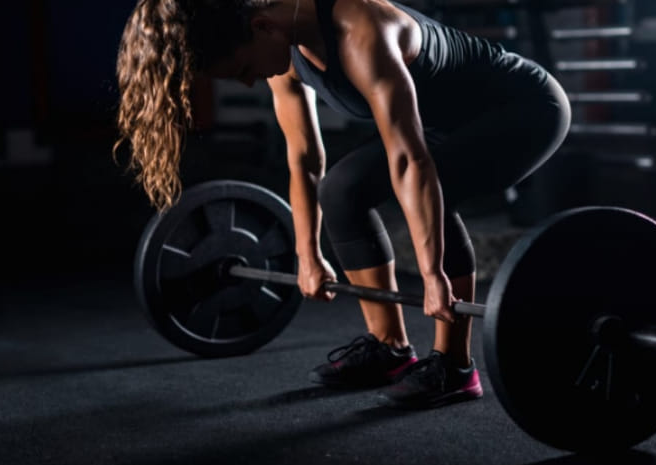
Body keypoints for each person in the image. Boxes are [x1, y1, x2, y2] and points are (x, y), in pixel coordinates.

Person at [115, 0, 571, 409]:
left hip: (524, 109)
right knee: (341, 188)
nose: (250, 80)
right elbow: (305, 160)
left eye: (242, 71)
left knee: (435, 186)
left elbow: (411, 161)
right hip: (444, 127)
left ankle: (454, 367)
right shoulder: (281, 45)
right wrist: (307, 255)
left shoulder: (360, 30)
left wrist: (432, 275)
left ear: (260, 27)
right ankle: (389, 347)